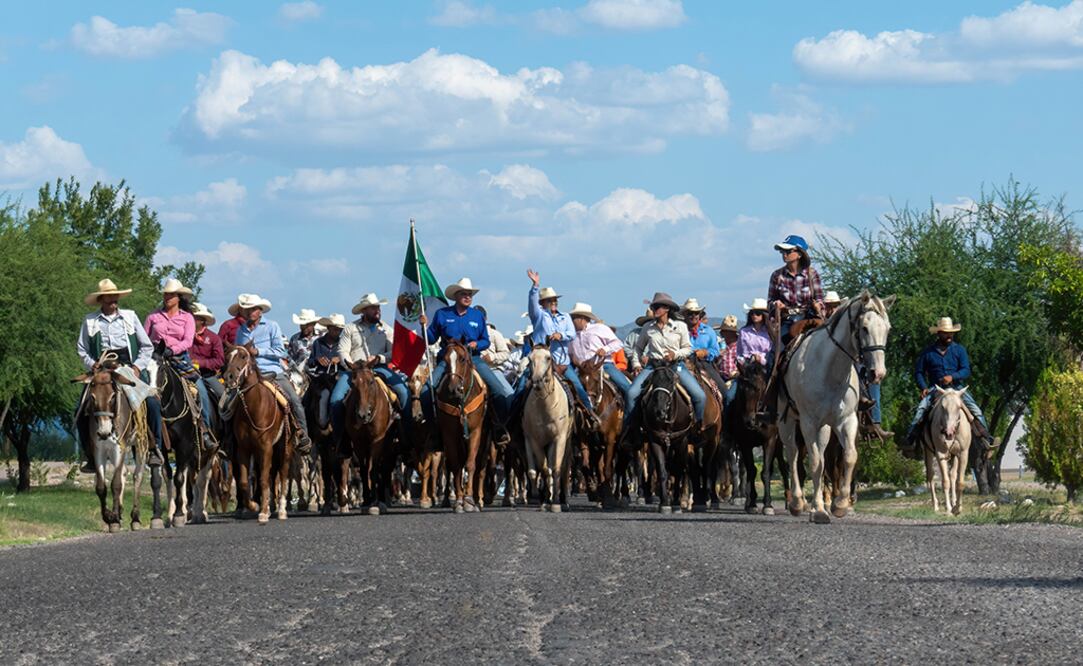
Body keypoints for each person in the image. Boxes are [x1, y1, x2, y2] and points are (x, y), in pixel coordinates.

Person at [76, 278, 165, 469]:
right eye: (108, 297)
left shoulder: (130, 317)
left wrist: (138, 367)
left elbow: (146, 346)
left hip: (126, 367)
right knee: (80, 409)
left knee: (152, 402)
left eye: (115, 296)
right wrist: (92, 364)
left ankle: (154, 447)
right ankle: (90, 454)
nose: (113, 300)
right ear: (101, 300)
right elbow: (82, 349)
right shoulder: (90, 320)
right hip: (100, 370)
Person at [419, 278, 515, 420]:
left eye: (470, 294)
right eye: (464, 294)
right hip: (448, 359)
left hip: (473, 358)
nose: (468, 297)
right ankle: (432, 428)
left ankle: (498, 427)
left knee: (500, 392)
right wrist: (424, 327)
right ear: (456, 296)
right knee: (426, 391)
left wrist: (477, 344)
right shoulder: (442, 314)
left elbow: (485, 341)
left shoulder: (477, 316)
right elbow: (431, 339)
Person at [232, 294, 313, 454]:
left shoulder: (272, 326)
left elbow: (280, 351)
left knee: (294, 400)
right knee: (228, 404)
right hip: (248, 375)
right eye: (246, 309)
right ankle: (228, 439)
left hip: (273, 372)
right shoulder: (240, 331)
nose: (249, 312)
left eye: (253, 309)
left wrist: (258, 351)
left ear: (260, 311)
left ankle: (302, 434)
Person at [902, 317, 993, 457]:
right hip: (936, 389)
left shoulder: (959, 350)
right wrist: (923, 387)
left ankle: (987, 441)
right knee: (921, 410)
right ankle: (911, 443)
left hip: (957, 389)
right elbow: (919, 372)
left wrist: (953, 377)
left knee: (976, 410)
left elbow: (966, 370)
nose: (949, 335)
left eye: (951, 332)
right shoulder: (927, 353)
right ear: (938, 334)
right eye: (945, 332)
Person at [143, 279, 216, 452]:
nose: (167, 297)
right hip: (154, 359)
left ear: (178, 297)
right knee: (139, 390)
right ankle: (139, 430)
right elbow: (144, 339)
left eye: (171, 294)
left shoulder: (187, 318)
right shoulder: (153, 317)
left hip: (179, 360)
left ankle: (204, 430)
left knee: (200, 391)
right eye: (166, 294)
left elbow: (188, 341)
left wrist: (172, 349)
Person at [516, 270, 596, 423]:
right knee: (521, 389)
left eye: (555, 300)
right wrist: (535, 286)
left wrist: (561, 335)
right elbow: (532, 304)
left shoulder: (565, 316)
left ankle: (590, 416)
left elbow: (571, 334)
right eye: (549, 300)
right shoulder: (538, 316)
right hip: (541, 364)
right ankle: (512, 422)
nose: (553, 302)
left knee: (579, 389)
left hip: (562, 364)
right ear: (542, 303)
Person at [624, 292, 706, 434]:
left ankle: (697, 427)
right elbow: (638, 348)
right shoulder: (648, 328)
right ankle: (632, 430)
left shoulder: (680, 326)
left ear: (667, 309)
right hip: (653, 367)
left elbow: (687, 348)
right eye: (654, 306)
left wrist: (675, 354)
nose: (655, 309)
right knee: (631, 394)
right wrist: (636, 364)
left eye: (658, 307)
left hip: (676, 366)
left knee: (700, 396)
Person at [332, 293, 411, 433]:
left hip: (379, 368)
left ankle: (406, 435)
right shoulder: (350, 328)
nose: (377, 311)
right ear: (364, 311)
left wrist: (379, 358)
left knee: (404, 393)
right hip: (353, 371)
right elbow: (342, 351)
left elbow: (393, 352)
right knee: (335, 400)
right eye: (372, 308)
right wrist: (353, 366)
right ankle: (340, 441)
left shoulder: (386, 330)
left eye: (378, 307)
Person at [767, 234, 825, 344]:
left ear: (799, 254)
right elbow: (769, 302)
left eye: (788, 251)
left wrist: (818, 306)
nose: (784, 254)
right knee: (776, 352)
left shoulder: (812, 274)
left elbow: (820, 300)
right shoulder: (776, 275)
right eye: (782, 251)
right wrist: (776, 305)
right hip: (787, 321)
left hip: (809, 320)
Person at [567, 302, 631, 398]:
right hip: (581, 369)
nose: (571, 321)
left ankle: (631, 412)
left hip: (603, 366)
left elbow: (618, 343)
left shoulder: (599, 328)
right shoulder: (571, 336)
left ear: (582, 319)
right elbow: (570, 354)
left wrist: (605, 349)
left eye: (573, 318)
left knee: (627, 388)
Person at [682, 298, 727, 393]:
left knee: (724, 390)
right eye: (690, 313)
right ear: (684, 315)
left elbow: (715, 350)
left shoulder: (708, 331)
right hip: (682, 364)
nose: (693, 316)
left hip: (704, 364)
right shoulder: (679, 330)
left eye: (696, 313)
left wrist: (705, 352)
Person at [190, 302, 225, 405]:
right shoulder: (184, 335)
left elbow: (220, 361)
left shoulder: (214, 338)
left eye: (195, 318)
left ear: (202, 321)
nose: (191, 320)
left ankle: (217, 420)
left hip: (207, 375)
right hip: (185, 372)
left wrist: (200, 363)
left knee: (224, 397)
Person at [736, 298, 773, 366]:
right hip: (746, 365)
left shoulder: (770, 332)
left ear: (764, 315)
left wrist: (761, 360)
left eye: (758, 313)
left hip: (766, 365)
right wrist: (742, 362)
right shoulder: (743, 331)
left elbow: (771, 352)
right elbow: (739, 351)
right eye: (752, 313)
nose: (754, 316)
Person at [714, 315, 740, 408]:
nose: (724, 334)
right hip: (720, 377)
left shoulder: (739, 347)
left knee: (729, 397)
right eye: (724, 332)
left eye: (727, 332)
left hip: (734, 378)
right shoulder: (721, 347)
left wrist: (737, 373)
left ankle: (727, 419)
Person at [476, 306, 511, 371]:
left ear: (485, 318)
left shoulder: (495, 334)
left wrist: (492, 357)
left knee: (498, 381)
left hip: (492, 369)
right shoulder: (469, 335)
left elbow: (506, 354)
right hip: (473, 369)